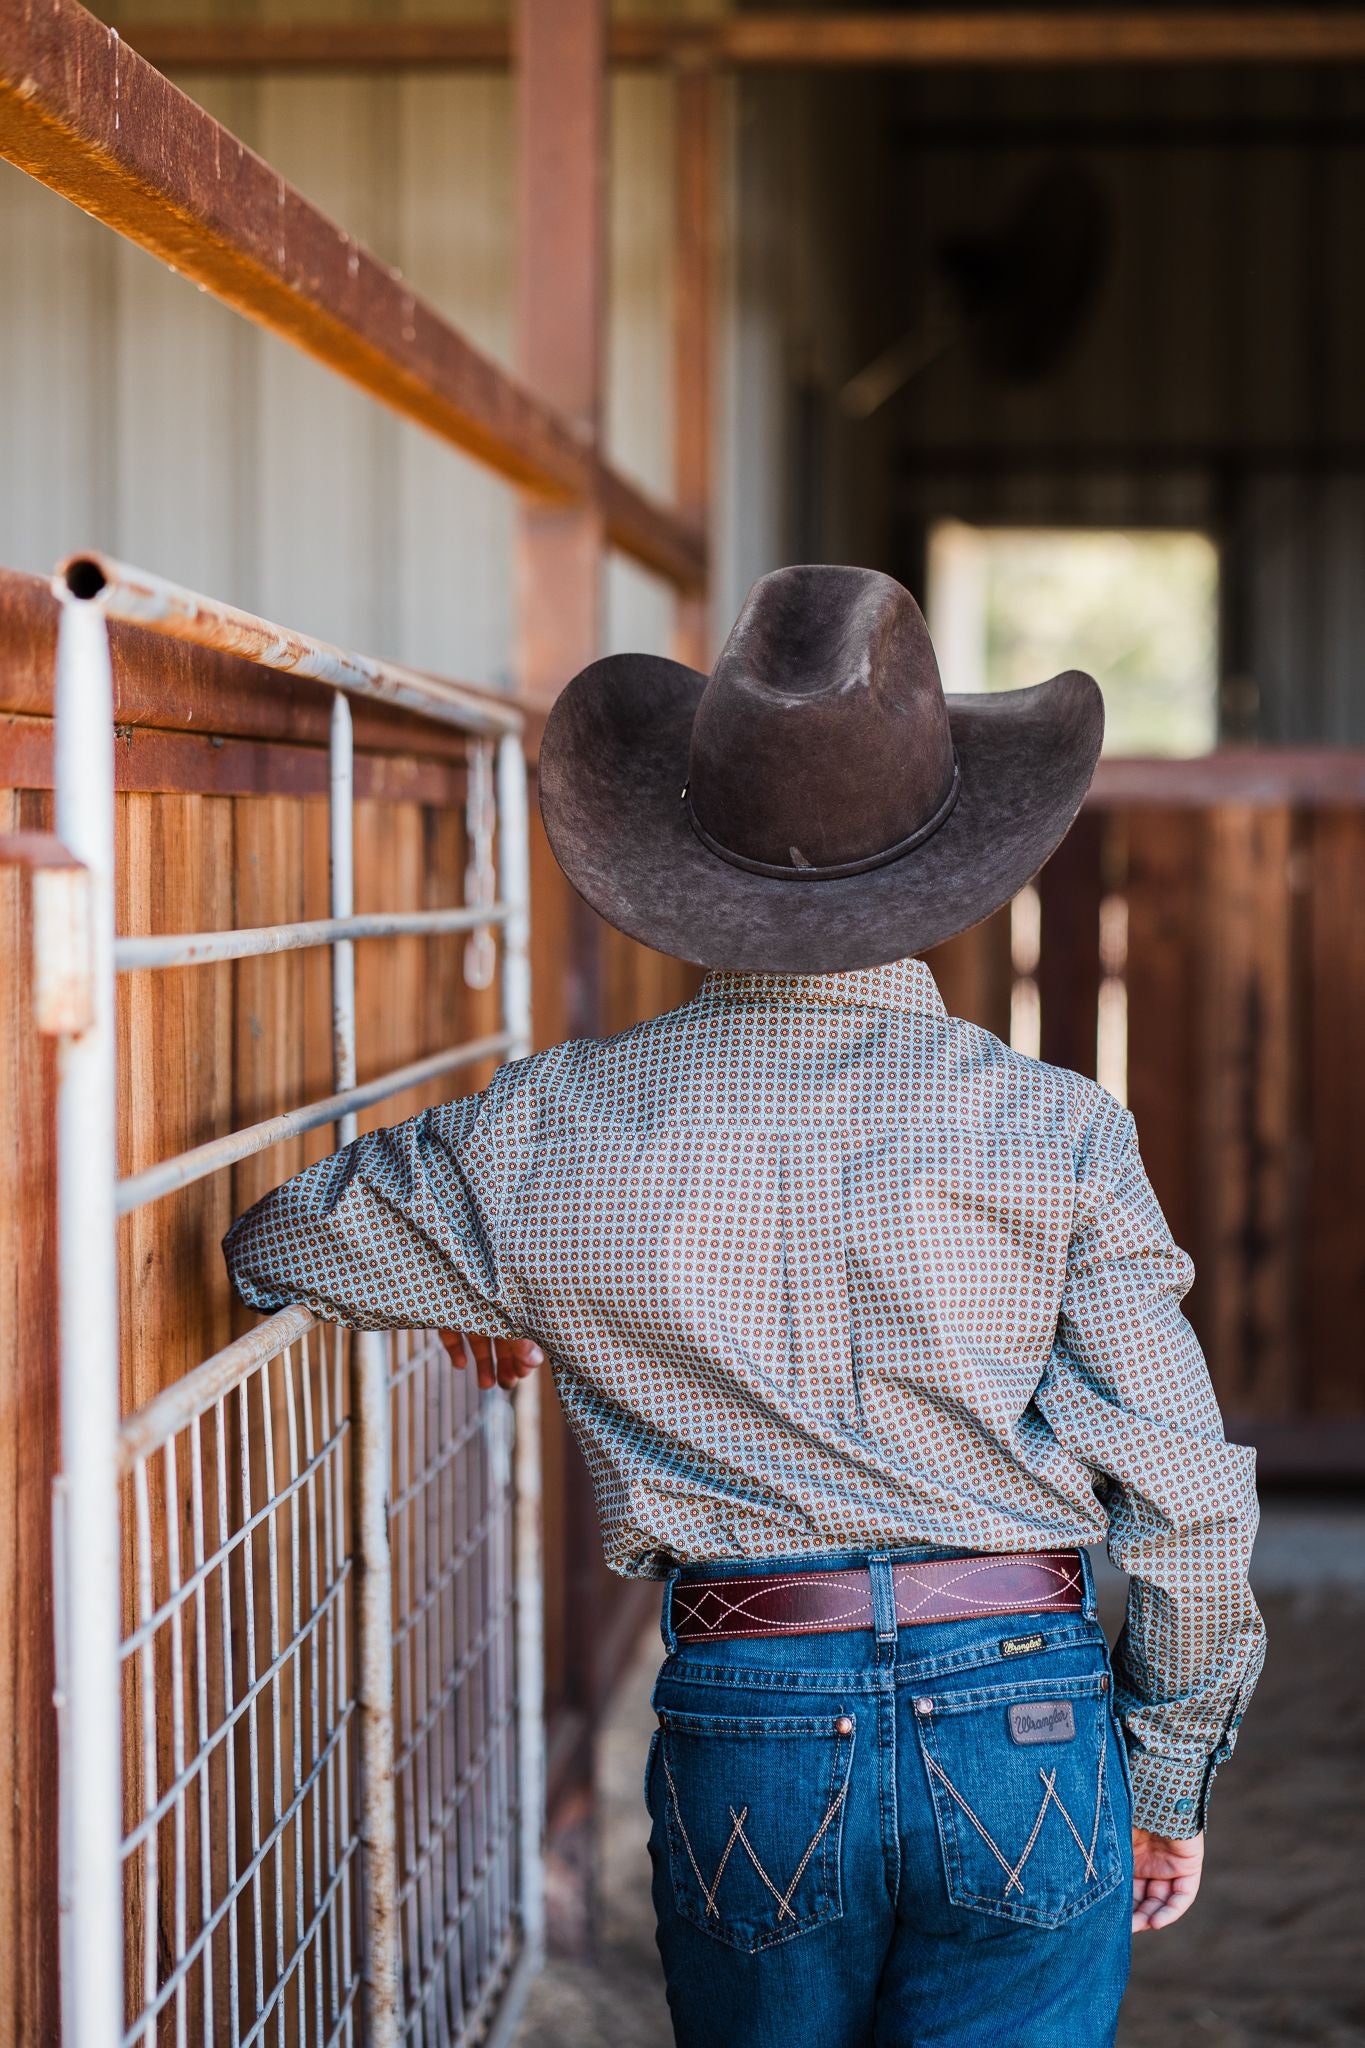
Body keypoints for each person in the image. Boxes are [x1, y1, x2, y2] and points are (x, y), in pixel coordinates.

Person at [223, 564, 1264, 2048]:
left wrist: (489, 1281)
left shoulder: (544, 1133)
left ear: (685, 854)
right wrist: (1165, 1780)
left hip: (753, 1707)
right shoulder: (1056, 1130)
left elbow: (283, 1246)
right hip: (1023, 1715)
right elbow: (1187, 1501)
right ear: (945, 852)